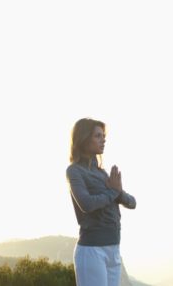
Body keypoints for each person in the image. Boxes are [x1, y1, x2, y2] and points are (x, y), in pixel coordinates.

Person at [66, 118, 136, 286]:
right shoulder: (74, 171)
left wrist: (117, 191)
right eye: (98, 136)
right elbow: (87, 204)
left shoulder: (103, 174)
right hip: (92, 251)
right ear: (84, 138)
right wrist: (113, 191)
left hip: (113, 248)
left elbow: (132, 203)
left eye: (103, 136)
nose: (103, 140)